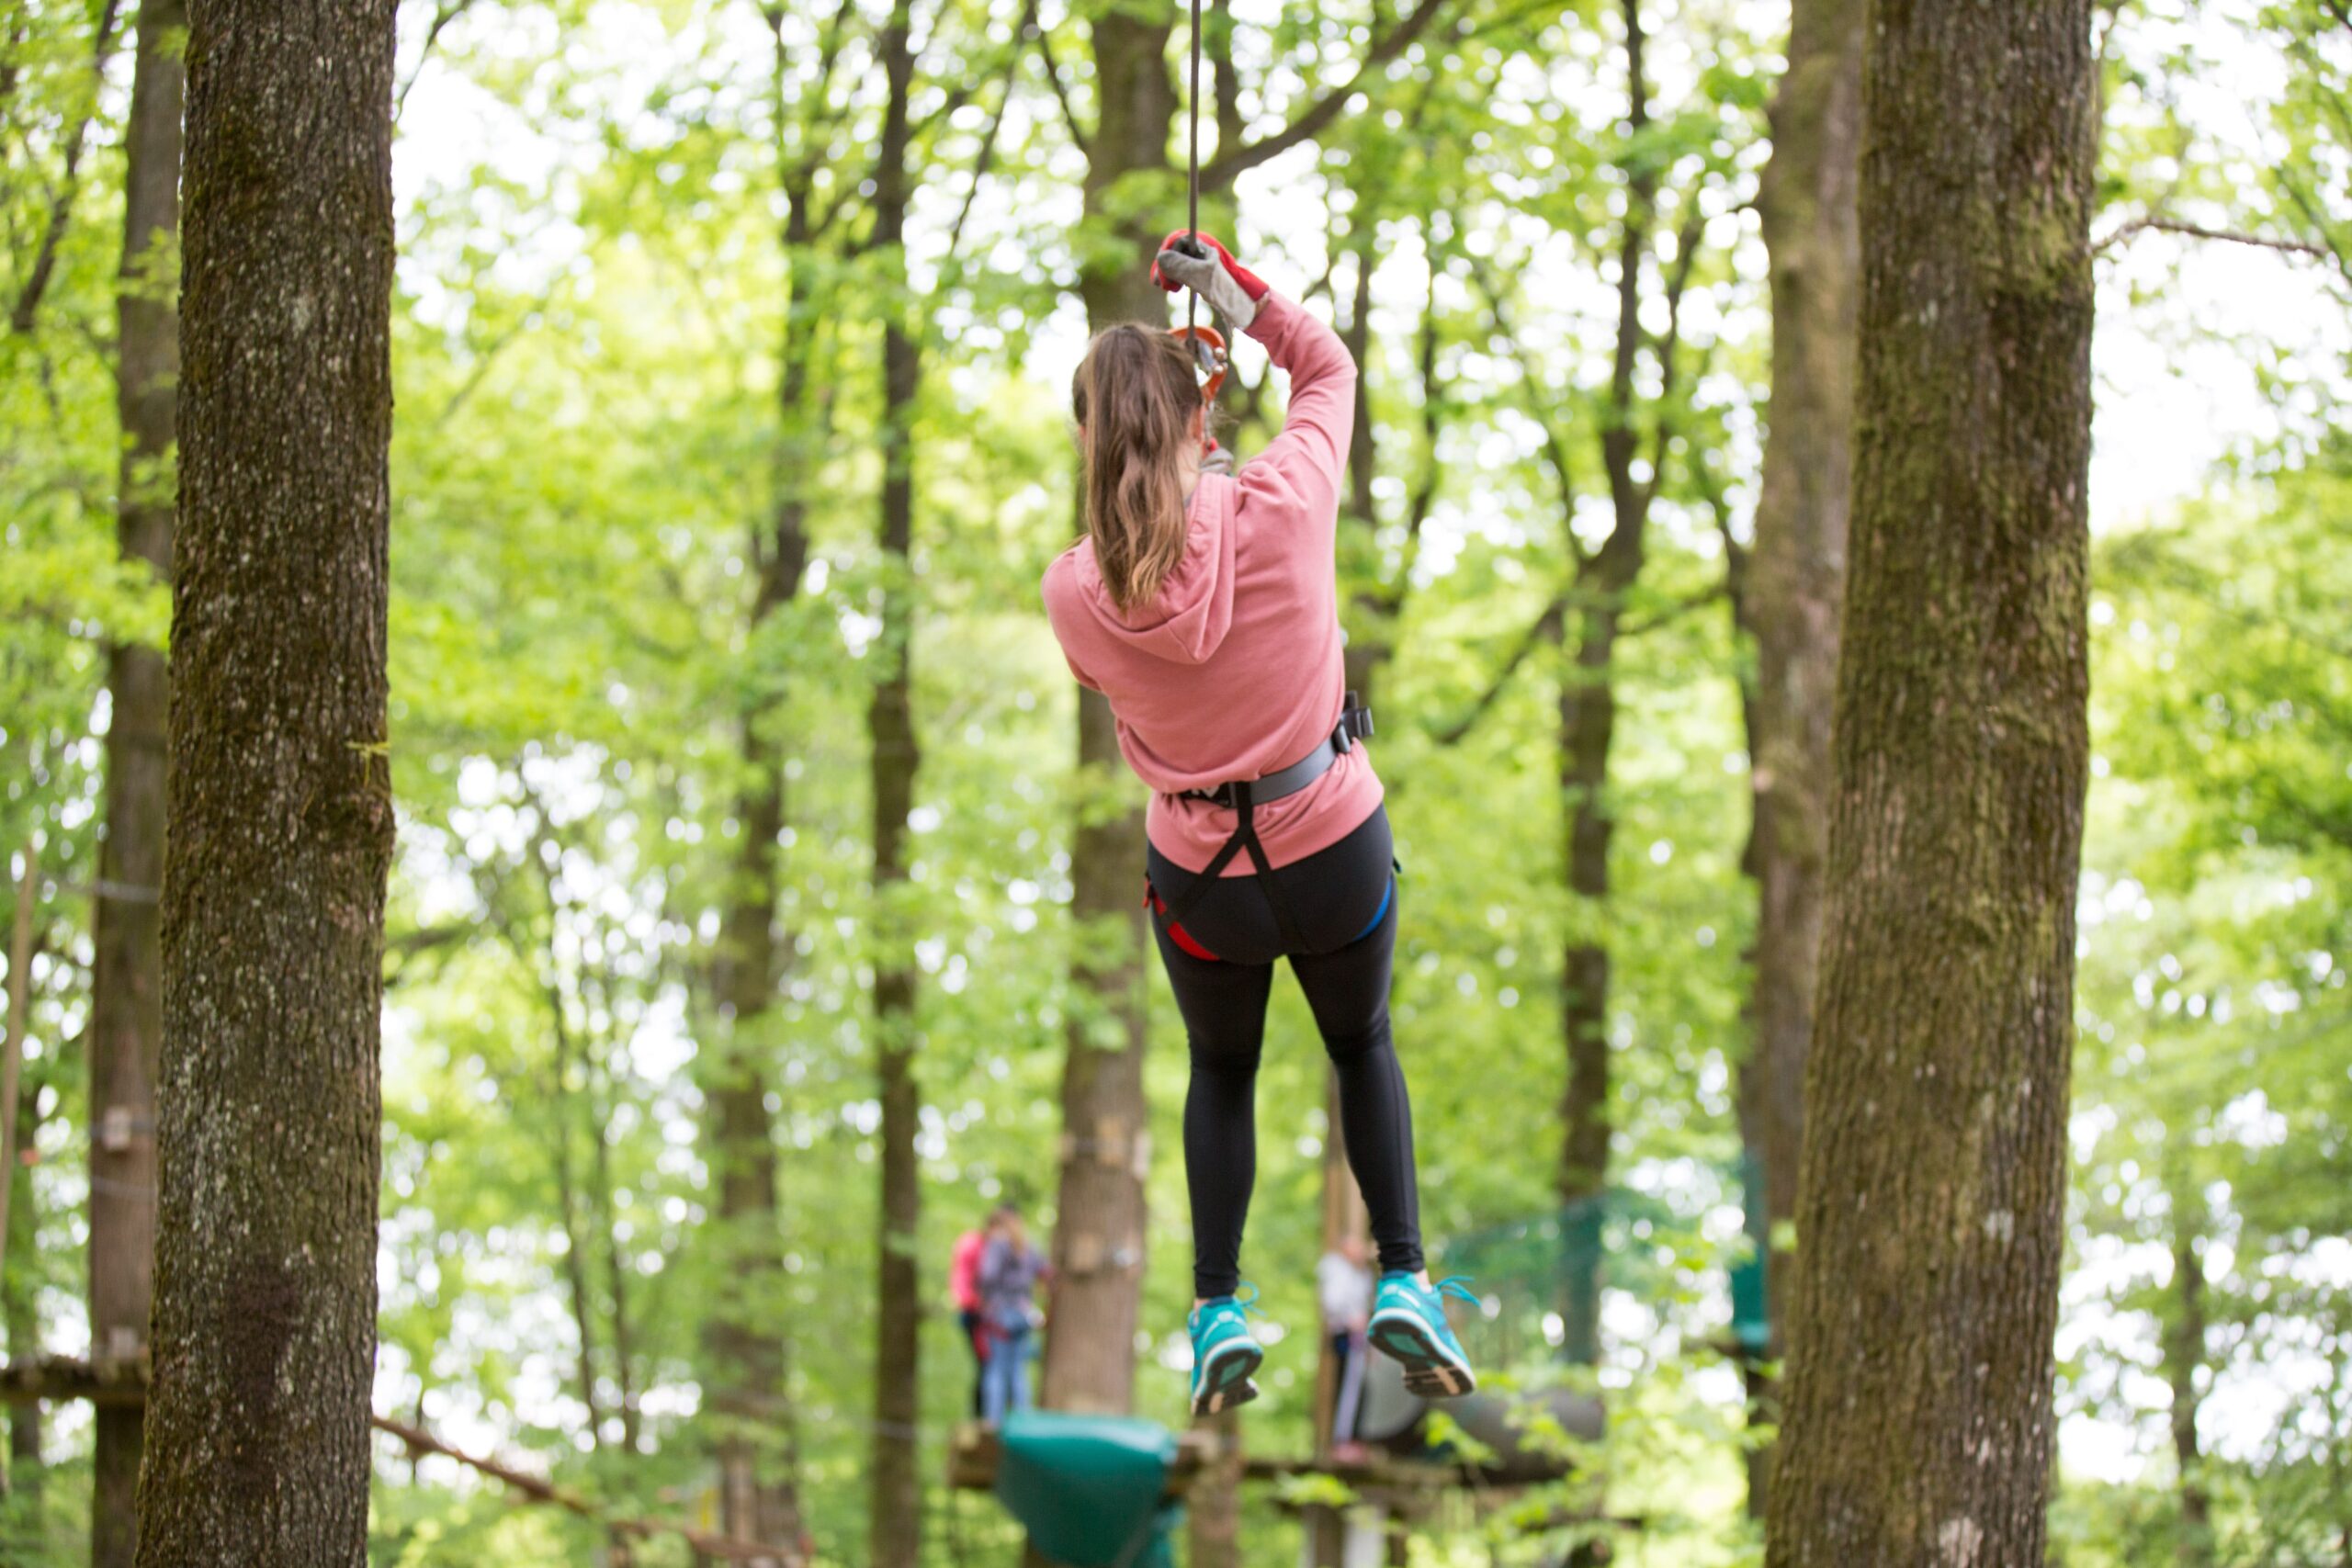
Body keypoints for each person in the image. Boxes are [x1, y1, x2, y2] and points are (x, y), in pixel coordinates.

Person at [1041, 231, 1478, 1418]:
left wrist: (1182, 438)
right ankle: (1405, 1274)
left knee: (1222, 1069)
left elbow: (1146, 582)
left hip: (1201, 880)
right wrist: (1241, 305)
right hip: (1328, 840)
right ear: (1198, 422)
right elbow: (1327, 370)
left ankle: (1217, 1304)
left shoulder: (1076, 594)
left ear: (1088, 440)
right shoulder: (1283, 504)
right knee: (1359, 1044)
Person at [977, 1206, 1046, 1426]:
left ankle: (993, 1421)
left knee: (996, 1368)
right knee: (1017, 1368)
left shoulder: (998, 1244)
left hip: (1000, 1314)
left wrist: (986, 1297)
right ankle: (1023, 1419)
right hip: (1023, 1313)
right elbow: (1045, 1271)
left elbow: (987, 1275)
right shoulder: (1028, 1246)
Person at [1317, 1235, 1374, 1461]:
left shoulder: (1360, 1274)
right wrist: (1351, 1319)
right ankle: (1343, 1443)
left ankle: (1352, 1440)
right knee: (1349, 1389)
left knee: (1359, 1388)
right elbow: (1333, 1302)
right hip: (1348, 1334)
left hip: (1358, 1337)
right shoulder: (1337, 1270)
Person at [949, 1213, 997, 1419]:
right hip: (975, 1314)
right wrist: (971, 1302)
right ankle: (982, 1416)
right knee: (986, 1364)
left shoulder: (1001, 1248)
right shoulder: (973, 1244)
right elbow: (961, 1278)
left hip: (993, 1316)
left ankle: (990, 1413)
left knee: (993, 1366)